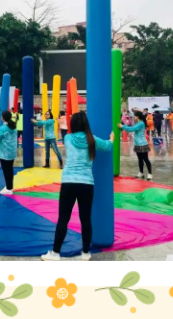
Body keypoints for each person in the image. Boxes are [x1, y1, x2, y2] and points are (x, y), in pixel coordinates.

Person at [41, 111, 113, 261]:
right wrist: (112, 138)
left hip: (68, 182)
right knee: (85, 219)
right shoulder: (92, 139)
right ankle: (85, 253)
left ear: (73, 124)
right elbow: (107, 146)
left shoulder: (67, 138)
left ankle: (55, 253)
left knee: (63, 218)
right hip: (86, 184)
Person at [119, 111, 152, 180]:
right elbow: (131, 129)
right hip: (137, 144)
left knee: (145, 159)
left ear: (137, 117)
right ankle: (141, 172)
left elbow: (131, 129)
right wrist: (123, 127)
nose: (134, 117)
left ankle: (150, 173)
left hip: (142, 144)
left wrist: (123, 126)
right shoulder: (138, 123)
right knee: (140, 159)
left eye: (134, 116)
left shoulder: (141, 124)